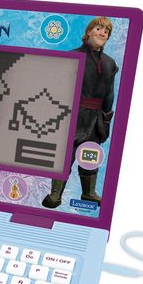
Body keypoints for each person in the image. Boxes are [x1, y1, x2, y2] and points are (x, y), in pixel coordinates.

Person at [42, 17, 119, 208]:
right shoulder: (72, 57)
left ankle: (89, 193)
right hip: (72, 116)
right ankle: (55, 194)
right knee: (64, 155)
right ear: (89, 31)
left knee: (90, 154)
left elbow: (109, 94)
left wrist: (106, 119)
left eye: (106, 31)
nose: (102, 33)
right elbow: (57, 88)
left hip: (96, 118)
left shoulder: (110, 63)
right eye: (99, 28)